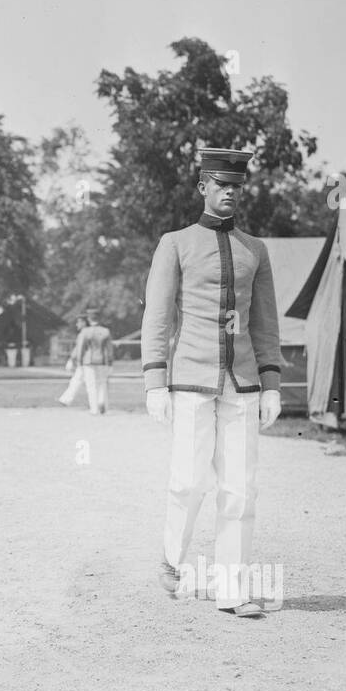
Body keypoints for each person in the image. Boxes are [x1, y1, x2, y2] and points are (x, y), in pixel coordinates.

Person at [141, 147, 283, 618]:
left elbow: (264, 323)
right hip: (190, 379)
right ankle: (172, 559)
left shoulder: (255, 250)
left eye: (237, 187)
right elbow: (157, 316)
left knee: (240, 490)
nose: (230, 194)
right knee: (188, 480)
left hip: (242, 383)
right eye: (221, 185)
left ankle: (232, 590)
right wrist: (154, 380)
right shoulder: (175, 244)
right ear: (203, 187)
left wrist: (272, 382)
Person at [74, 308, 114, 415]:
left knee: (91, 386)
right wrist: (110, 362)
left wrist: (79, 362)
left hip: (89, 361)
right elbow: (109, 349)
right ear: (99, 318)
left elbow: (81, 348)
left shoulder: (85, 331)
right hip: (103, 361)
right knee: (102, 384)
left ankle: (94, 409)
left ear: (88, 318)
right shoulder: (105, 331)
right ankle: (102, 402)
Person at [57, 315, 87, 406]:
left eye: (79, 322)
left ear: (84, 323)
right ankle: (65, 400)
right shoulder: (85, 333)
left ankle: (66, 400)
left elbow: (79, 348)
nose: (77, 324)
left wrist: (71, 359)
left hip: (85, 362)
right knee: (77, 381)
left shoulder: (84, 333)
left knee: (78, 381)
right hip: (87, 362)